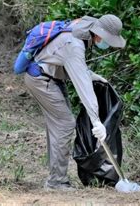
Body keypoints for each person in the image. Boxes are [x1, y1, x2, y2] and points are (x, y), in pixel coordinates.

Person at [23, 14, 126, 191]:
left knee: (58, 125)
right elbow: (82, 85)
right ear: (100, 34)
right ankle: (56, 182)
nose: (108, 44)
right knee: (64, 124)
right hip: (41, 79)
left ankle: (56, 178)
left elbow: (79, 71)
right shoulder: (75, 45)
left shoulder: (84, 29)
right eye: (108, 40)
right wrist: (96, 121)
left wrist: (98, 78)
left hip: (51, 77)